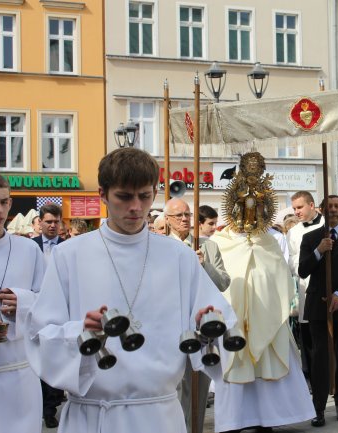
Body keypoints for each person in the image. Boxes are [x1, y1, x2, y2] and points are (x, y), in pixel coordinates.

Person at [23, 148, 235, 433]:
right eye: (124, 196)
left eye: (145, 196)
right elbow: (39, 335)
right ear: (103, 194)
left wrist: (208, 327)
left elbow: (222, 325)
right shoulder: (70, 255)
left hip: (159, 415)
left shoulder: (178, 256)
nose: (136, 207)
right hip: (94, 415)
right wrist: (81, 333)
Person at [211, 152, 314, 432]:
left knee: (269, 361)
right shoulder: (221, 241)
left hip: (267, 314)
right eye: (243, 207)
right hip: (235, 318)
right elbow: (218, 280)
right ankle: (237, 418)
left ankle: (269, 417)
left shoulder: (270, 241)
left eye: (256, 209)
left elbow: (281, 275)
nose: (249, 213)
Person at [0, 172, 44, 433]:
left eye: (4, 202)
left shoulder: (29, 250)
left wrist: (22, 302)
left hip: (20, 374)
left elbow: (50, 304)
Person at [164, 197, 231, 433]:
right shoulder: (160, 245)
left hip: (201, 327)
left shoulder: (208, 246)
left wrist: (205, 266)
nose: (184, 219)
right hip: (170, 325)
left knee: (199, 386)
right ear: (168, 220)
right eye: (178, 216)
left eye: (187, 215)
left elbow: (223, 282)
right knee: (173, 389)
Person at [299, 195, 338, 427]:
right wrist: (318, 250)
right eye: (330, 206)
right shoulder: (311, 237)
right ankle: (318, 406)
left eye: (337, 206)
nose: (334, 210)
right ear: (322, 210)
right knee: (320, 358)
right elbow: (303, 270)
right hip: (318, 305)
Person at [32, 202, 66, 427]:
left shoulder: (68, 248)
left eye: (56, 222)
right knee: (37, 359)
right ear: (40, 223)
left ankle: (50, 409)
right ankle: (39, 404)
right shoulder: (30, 246)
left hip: (60, 309)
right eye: (48, 222)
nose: (53, 226)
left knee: (56, 358)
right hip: (34, 309)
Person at [287, 191, 324, 381]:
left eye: (300, 207)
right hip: (305, 286)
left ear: (312, 205)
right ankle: (311, 376)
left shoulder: (328, 225)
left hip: (327, 286)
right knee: (309, 336)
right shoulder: (293, 232)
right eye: (294, 209)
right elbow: (292, 260)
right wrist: (304, 264)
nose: (297, 212)